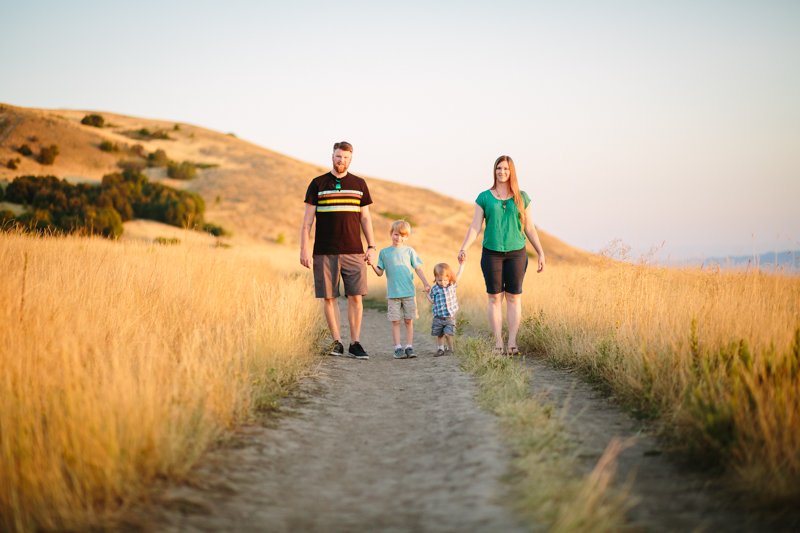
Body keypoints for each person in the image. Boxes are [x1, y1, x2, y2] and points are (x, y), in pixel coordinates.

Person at [458, 155, 545, 356]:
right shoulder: (484, 197)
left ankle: (512, 342)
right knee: (494, 298)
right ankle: (498, 342)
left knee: (513, 298)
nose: (502, 172)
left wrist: (540, 252)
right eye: (499, 168)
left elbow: (530, 228)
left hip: (517, 253)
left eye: (505, 168)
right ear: (494, 171)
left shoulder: (522, 197)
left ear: (511, 171)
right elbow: (475, 226)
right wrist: (464, 247)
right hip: (491, 253)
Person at [300, 141, 377, 360]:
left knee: (356, 298)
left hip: (354, 251)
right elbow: (307, 222)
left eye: (344, 157)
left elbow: (365, 218)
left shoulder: (359, 184)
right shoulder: (318, 184)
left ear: (350, 159)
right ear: (331, 157)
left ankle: (355, 343)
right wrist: (304, 250)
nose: (340, 160)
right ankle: (337, 343)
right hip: (324, 250)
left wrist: (371, 247)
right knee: (329, 297)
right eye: (337, 156)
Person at [370, 220, 431, 359]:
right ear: (391, 233)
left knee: (409, 320)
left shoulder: (409, 251)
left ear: (407, 237)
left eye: (403, 236)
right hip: (393, 294)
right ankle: (398, 348)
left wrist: (426, 283)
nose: (399, 238)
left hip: (409, 293)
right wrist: (373, 265)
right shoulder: (384, 252)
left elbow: (418, 268)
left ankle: (409, 347)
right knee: (396, 321)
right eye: (396, 234)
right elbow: (380, 273)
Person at [425, 262, 465, 357]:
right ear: (436, 278)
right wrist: (427, 294)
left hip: (450, 318)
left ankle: (450, 349)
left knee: (448, 334)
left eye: (445, 280)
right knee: (439, 335)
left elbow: (459, 273)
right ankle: (440, 349)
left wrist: (462, 264)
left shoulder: (452, 286)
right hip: (438, 317)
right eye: (440, 280)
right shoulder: (435, 289)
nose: (443, 283)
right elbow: (432, 301)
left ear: (449, 278)